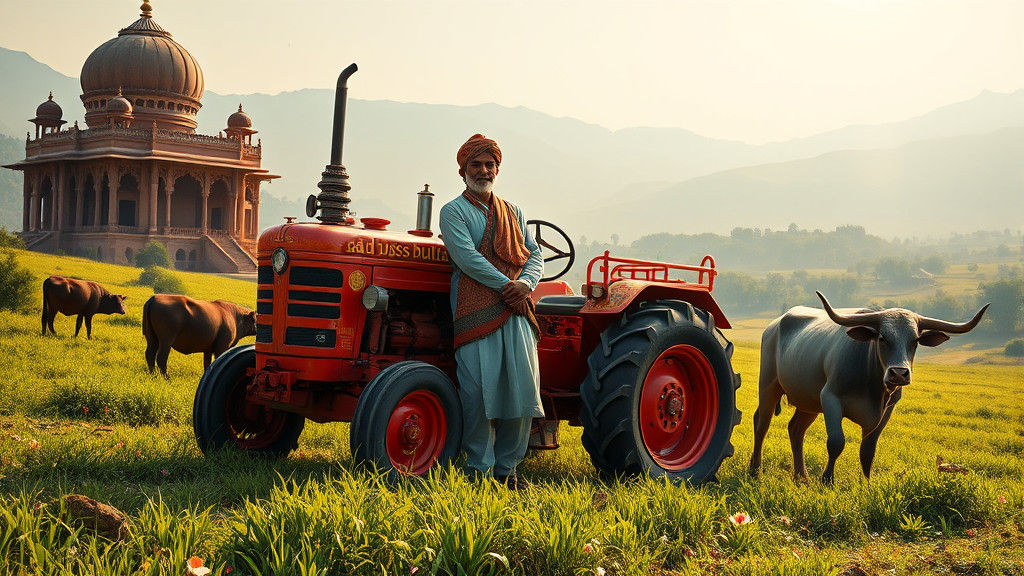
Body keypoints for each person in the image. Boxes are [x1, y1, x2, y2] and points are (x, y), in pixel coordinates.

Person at [438, 134, 544, 490]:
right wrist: (507, 286)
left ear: (497, 168)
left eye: (489, 165)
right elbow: (467, 258)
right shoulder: (453, 211)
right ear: (462, 170)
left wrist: (526, 285)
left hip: (517, 310)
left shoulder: (514, 211)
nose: (483, 171)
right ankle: (479, 471)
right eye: (476, 165)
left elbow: (534, 254)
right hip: (476, 309)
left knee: (521, 393)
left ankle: (508, 470)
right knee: (478, 393)